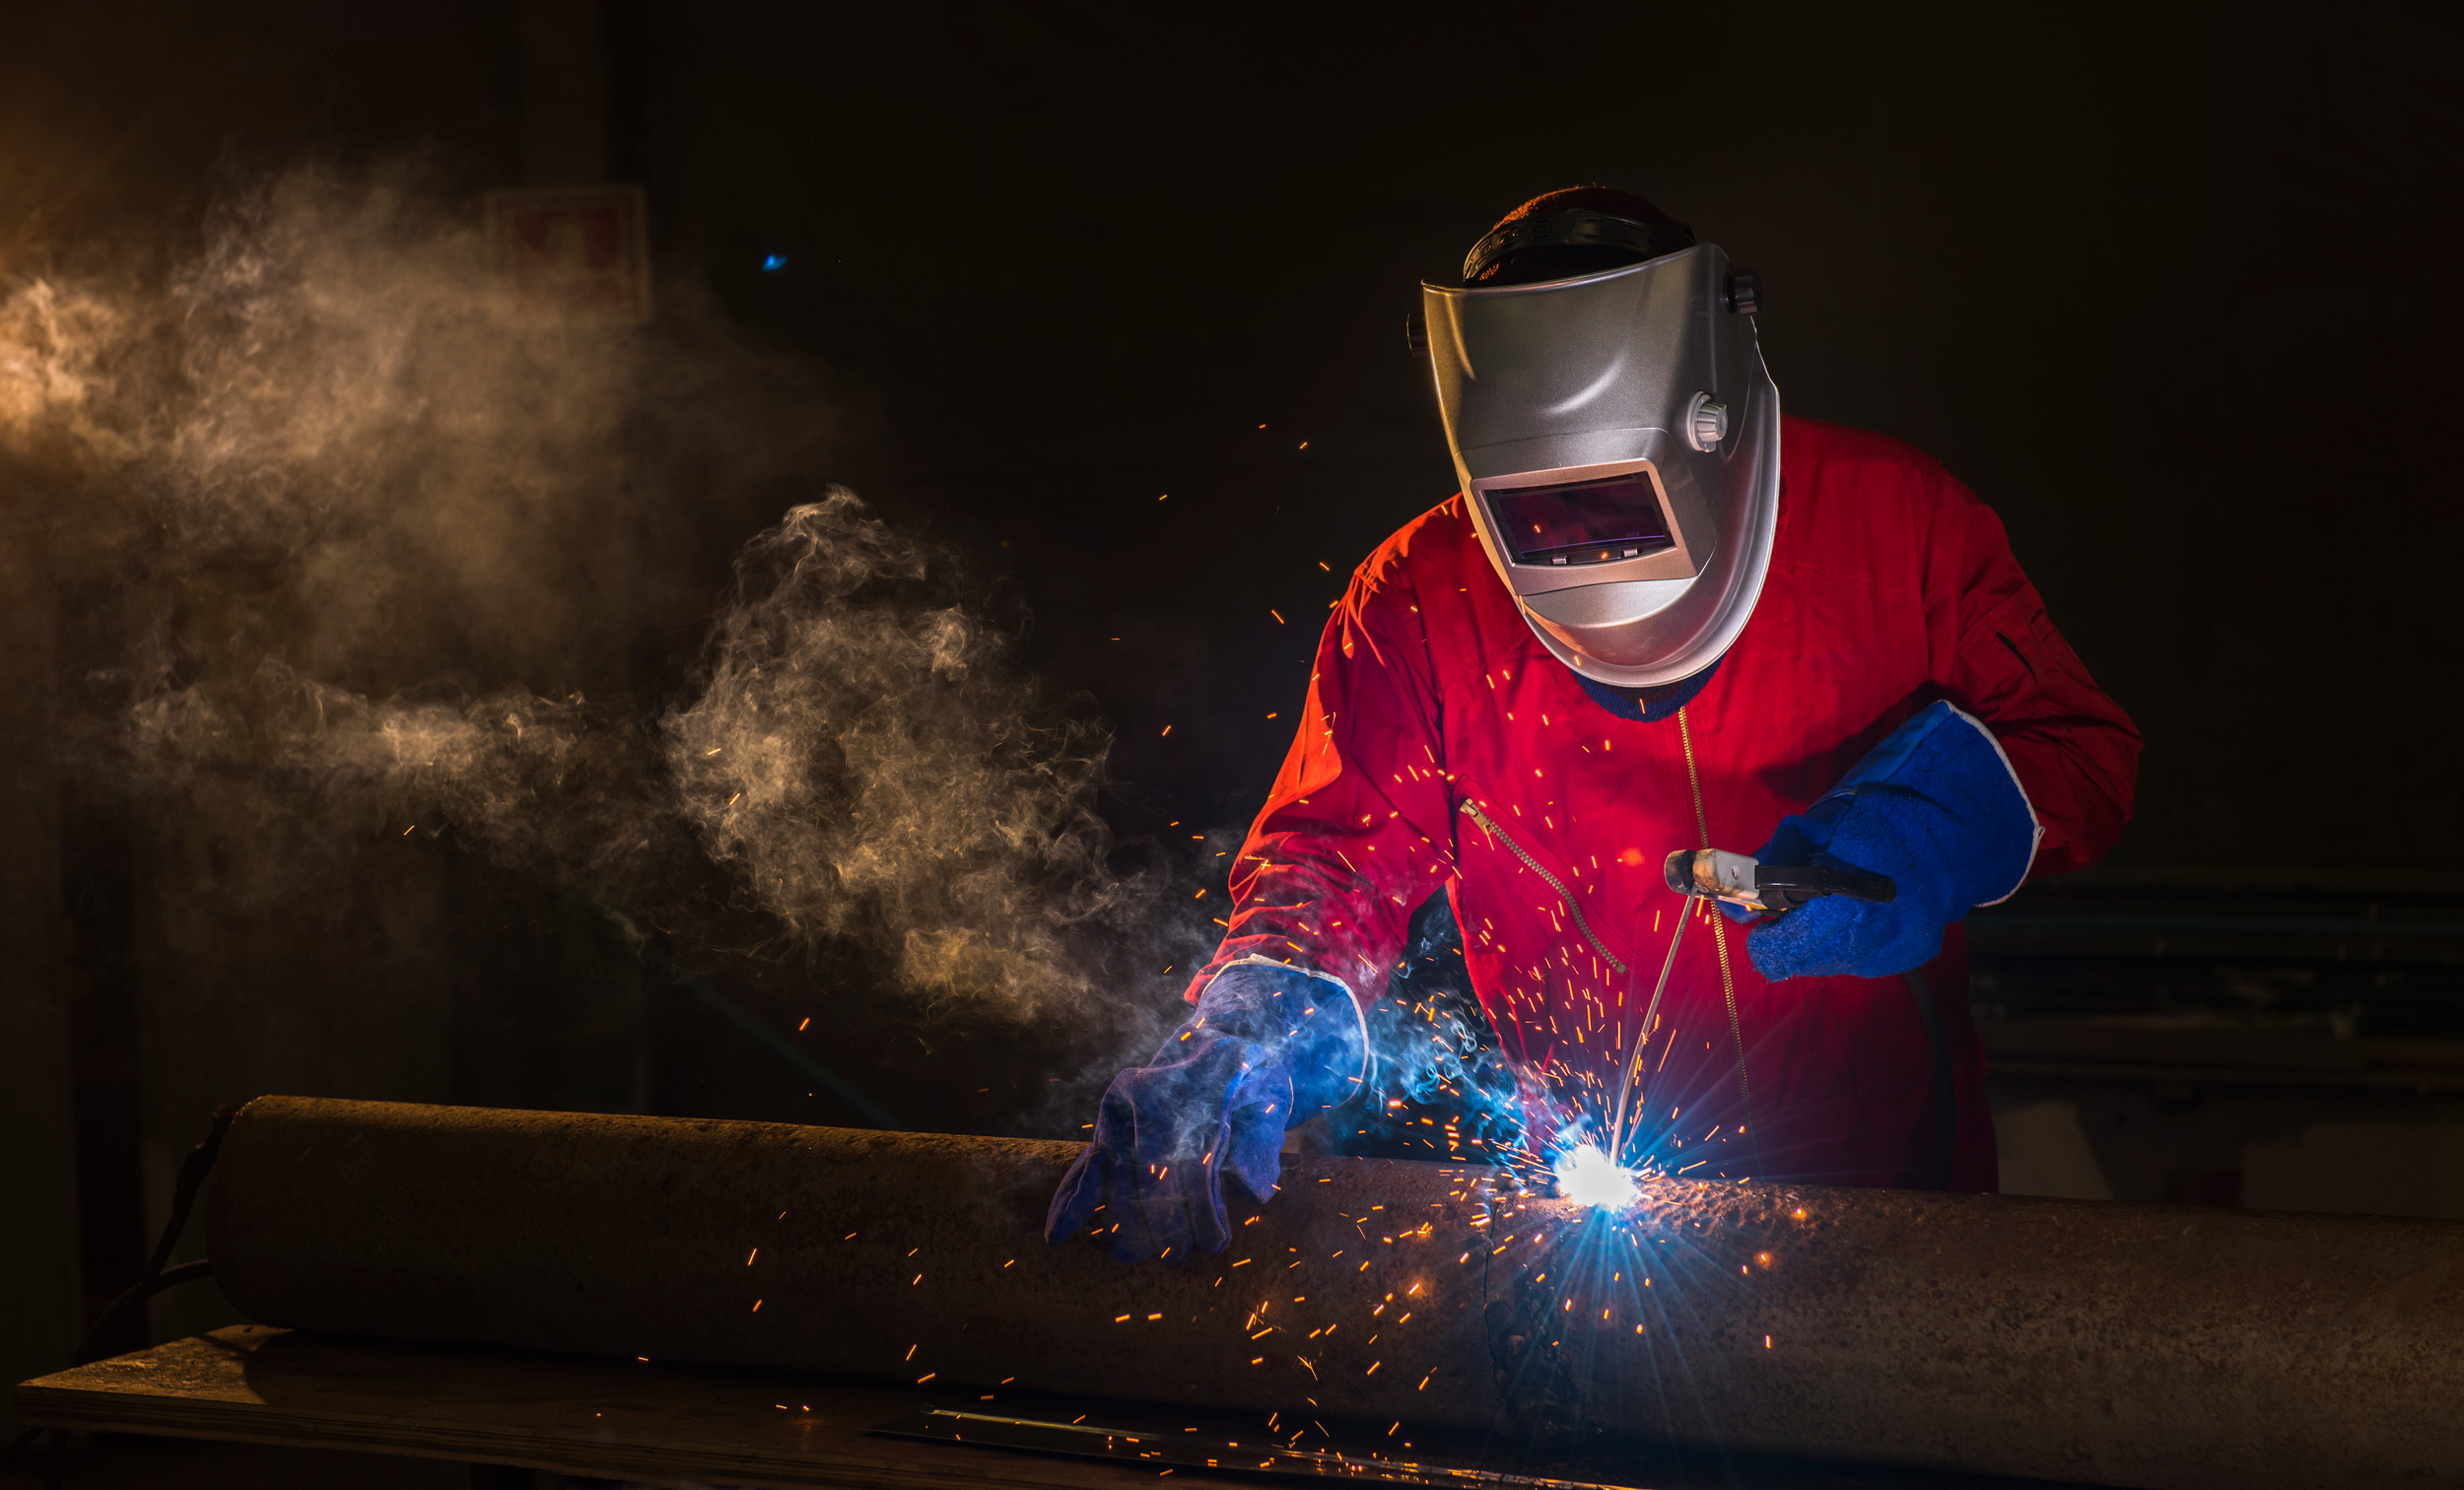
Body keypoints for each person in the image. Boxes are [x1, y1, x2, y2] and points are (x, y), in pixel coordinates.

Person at [1048, 185, 2139, 1262]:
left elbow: (2077, 754)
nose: (1578, 547)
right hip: (1585, 1211)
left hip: (1887, 1194)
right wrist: (1254, 1015)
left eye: (1612, 501)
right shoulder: (1421, 593)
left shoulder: (1897, 521)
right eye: (1534, 510)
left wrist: (1930, 833)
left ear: (1701, 420)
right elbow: (1334, 858)